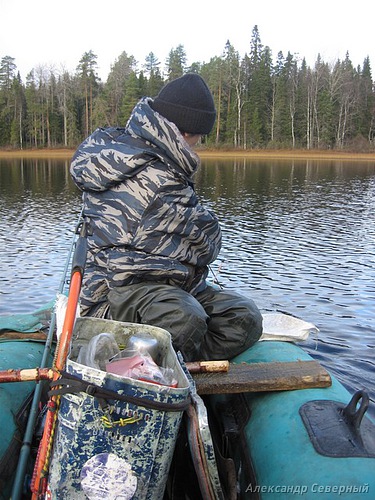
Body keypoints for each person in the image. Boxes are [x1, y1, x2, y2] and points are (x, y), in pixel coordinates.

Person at [70, 73, 262, 362]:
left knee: (243, 317)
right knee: (186, 318)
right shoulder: (160, 179)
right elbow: (208, 242)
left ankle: (177, 361)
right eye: (199, 136)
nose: (198, 143)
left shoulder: (117, 147)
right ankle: (138, 367)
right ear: (185, 133)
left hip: (168, 286)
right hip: (114, 293)